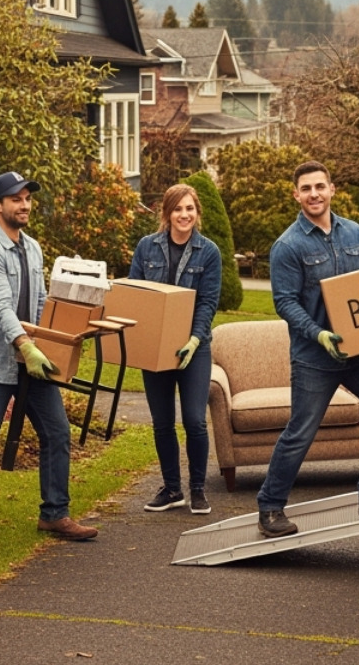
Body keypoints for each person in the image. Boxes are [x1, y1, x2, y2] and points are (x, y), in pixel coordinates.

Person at [255, 161, 359, 539]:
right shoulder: (288, 246)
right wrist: (319, 335)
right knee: (301, 431)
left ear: (332, 189)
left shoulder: (354, 232)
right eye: (306, 188)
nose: (314, 194)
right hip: (315, 356)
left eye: (320, 186)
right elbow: (285, 302)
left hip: (358, 351)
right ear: (296, 195)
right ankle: (270, 507)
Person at [0, 171, 98, 541]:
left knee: (57, 432)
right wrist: (25, 346)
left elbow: (41, 301)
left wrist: (54, 338)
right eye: (16, 199)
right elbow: (1, 308)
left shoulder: (32, 247)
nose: (25, 204)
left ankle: (55, 514)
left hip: (34, 360)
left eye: (28, 198)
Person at [128, 183, 221, 515]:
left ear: (197, 213)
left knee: (195, 421)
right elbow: (136, 294)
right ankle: (172, 489)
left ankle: (197, 490)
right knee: (162, 422)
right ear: (166, 213)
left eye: (190, 209)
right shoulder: (146, 247)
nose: (185, 215)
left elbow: (208, 302)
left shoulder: (208, 252)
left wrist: (194, 340)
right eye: (178, 209)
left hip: (194, 348)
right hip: (157, 347)